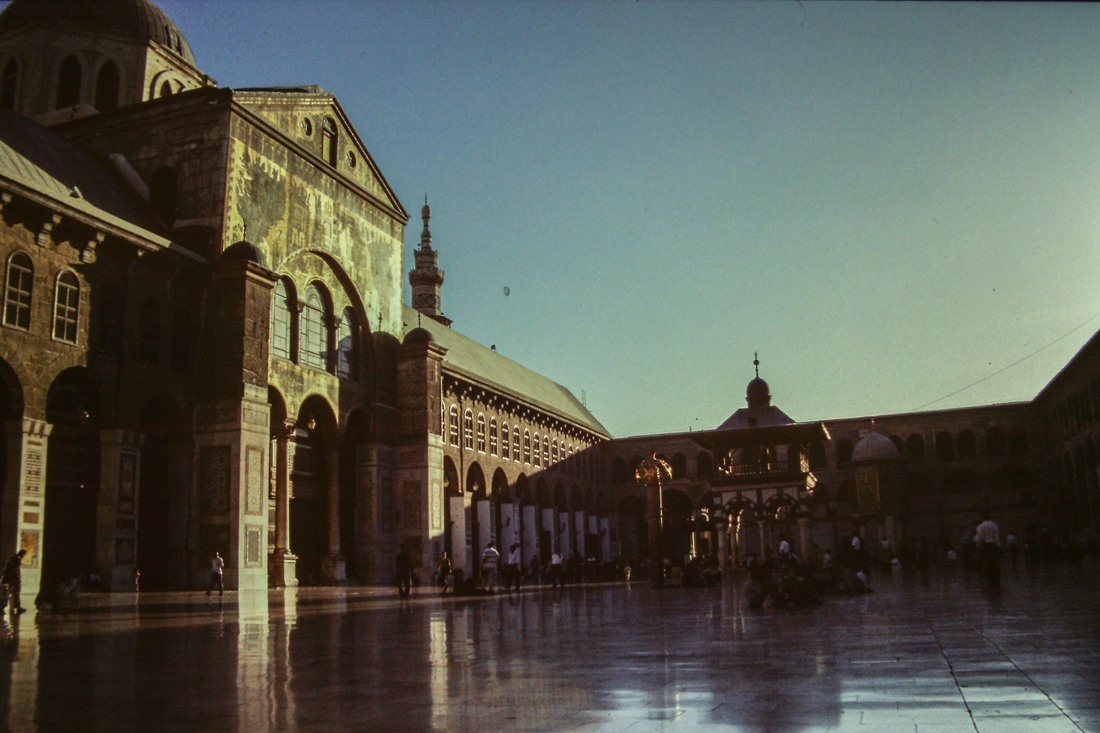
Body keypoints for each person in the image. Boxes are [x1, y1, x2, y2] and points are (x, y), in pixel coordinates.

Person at [975, 514, 1001, 587]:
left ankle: (989, 578)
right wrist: (996, 543)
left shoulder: (980, 526)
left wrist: (980, 545)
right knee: (995, 562)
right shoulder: (994, 524)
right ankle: (996, 578)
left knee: (987, 562)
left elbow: (979, 538)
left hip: (985, 545)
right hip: (993, 545)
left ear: (983, 517)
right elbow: (997, 536)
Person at [2, 549, 27, 615]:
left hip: (10, 579)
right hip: (14, 580)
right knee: (16, 593)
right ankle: (17, 607)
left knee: (9, 594)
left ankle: (13, 607)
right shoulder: (17, 559)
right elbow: (16, 571)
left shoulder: (12, 558)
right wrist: (18, 579)